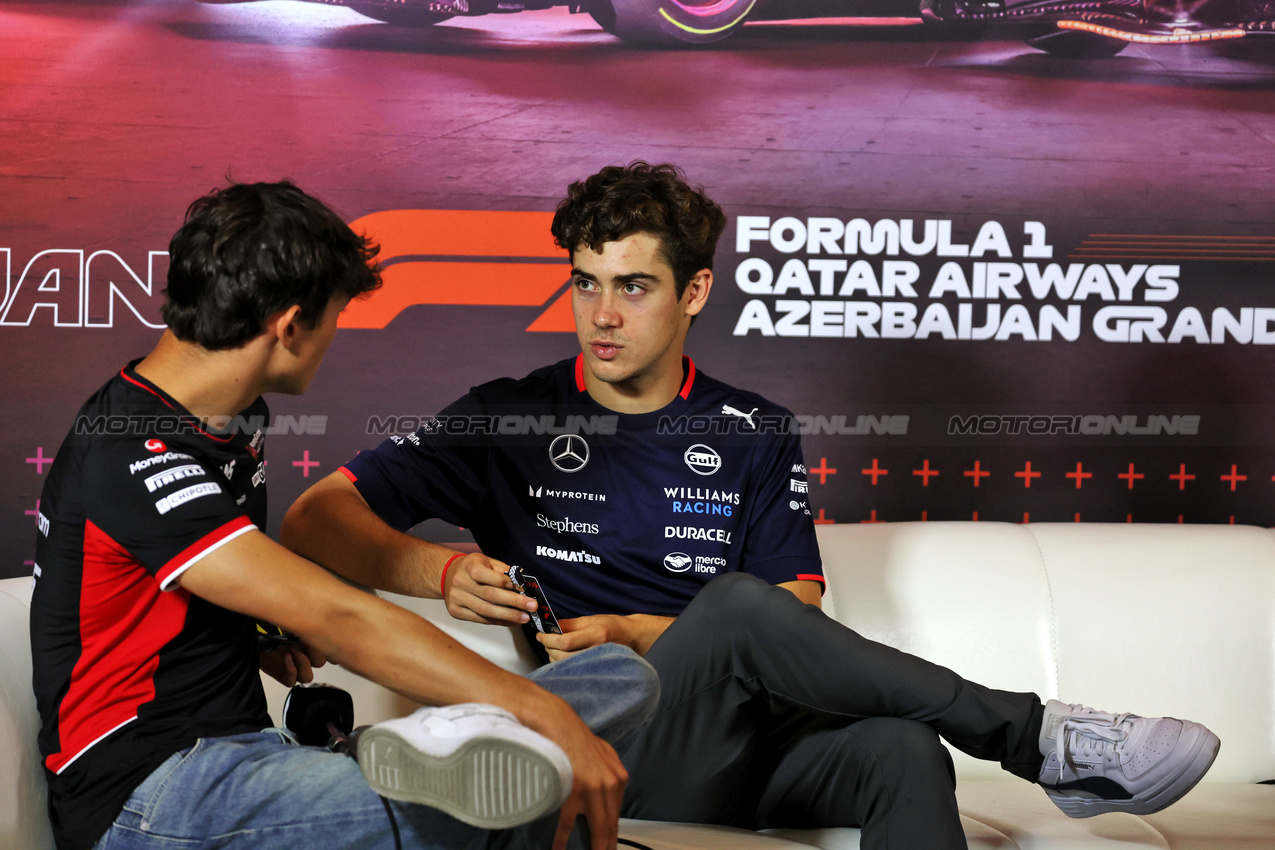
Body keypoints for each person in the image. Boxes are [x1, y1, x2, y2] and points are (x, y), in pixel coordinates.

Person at [283, 163, 1221, 850]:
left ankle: (1039, 744)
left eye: (633, 287)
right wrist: (437, 569)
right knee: (731, 607)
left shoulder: (753, 427)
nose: (601, 315)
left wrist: (644, 628)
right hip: (610, 742)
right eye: (585, 283)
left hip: (749, 742)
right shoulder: (508, 414)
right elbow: (316, 517)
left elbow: (794, 612)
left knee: (899, 749)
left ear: (693, 291)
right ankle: (1035, 736)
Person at [29, 181, 658, 850]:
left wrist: (251, 635)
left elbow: (168, 588)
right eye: (334, 317)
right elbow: (339, 615)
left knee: (625, 677)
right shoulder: (129, 446)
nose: (336, 336)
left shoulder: (234, 415)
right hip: (155, 794)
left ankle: (447, 764)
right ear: (290, 325)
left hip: (260, 756)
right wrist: (536, 709)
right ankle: (449, 768)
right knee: (512, 774)